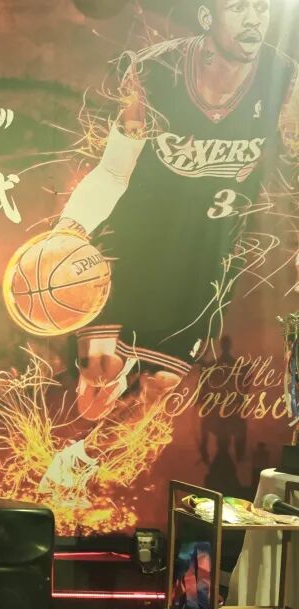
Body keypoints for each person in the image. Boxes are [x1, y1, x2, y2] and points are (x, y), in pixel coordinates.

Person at [55, 0, 298, 422]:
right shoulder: (152, 71)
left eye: (261, 8)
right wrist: (67, 230)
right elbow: (114, 171)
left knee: (150, 399)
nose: (253, 19)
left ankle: (85, 456)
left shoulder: (284, 79)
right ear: (207, 18)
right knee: (94, 394)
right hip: (131, 250)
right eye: (238, 8)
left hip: (201, 265)